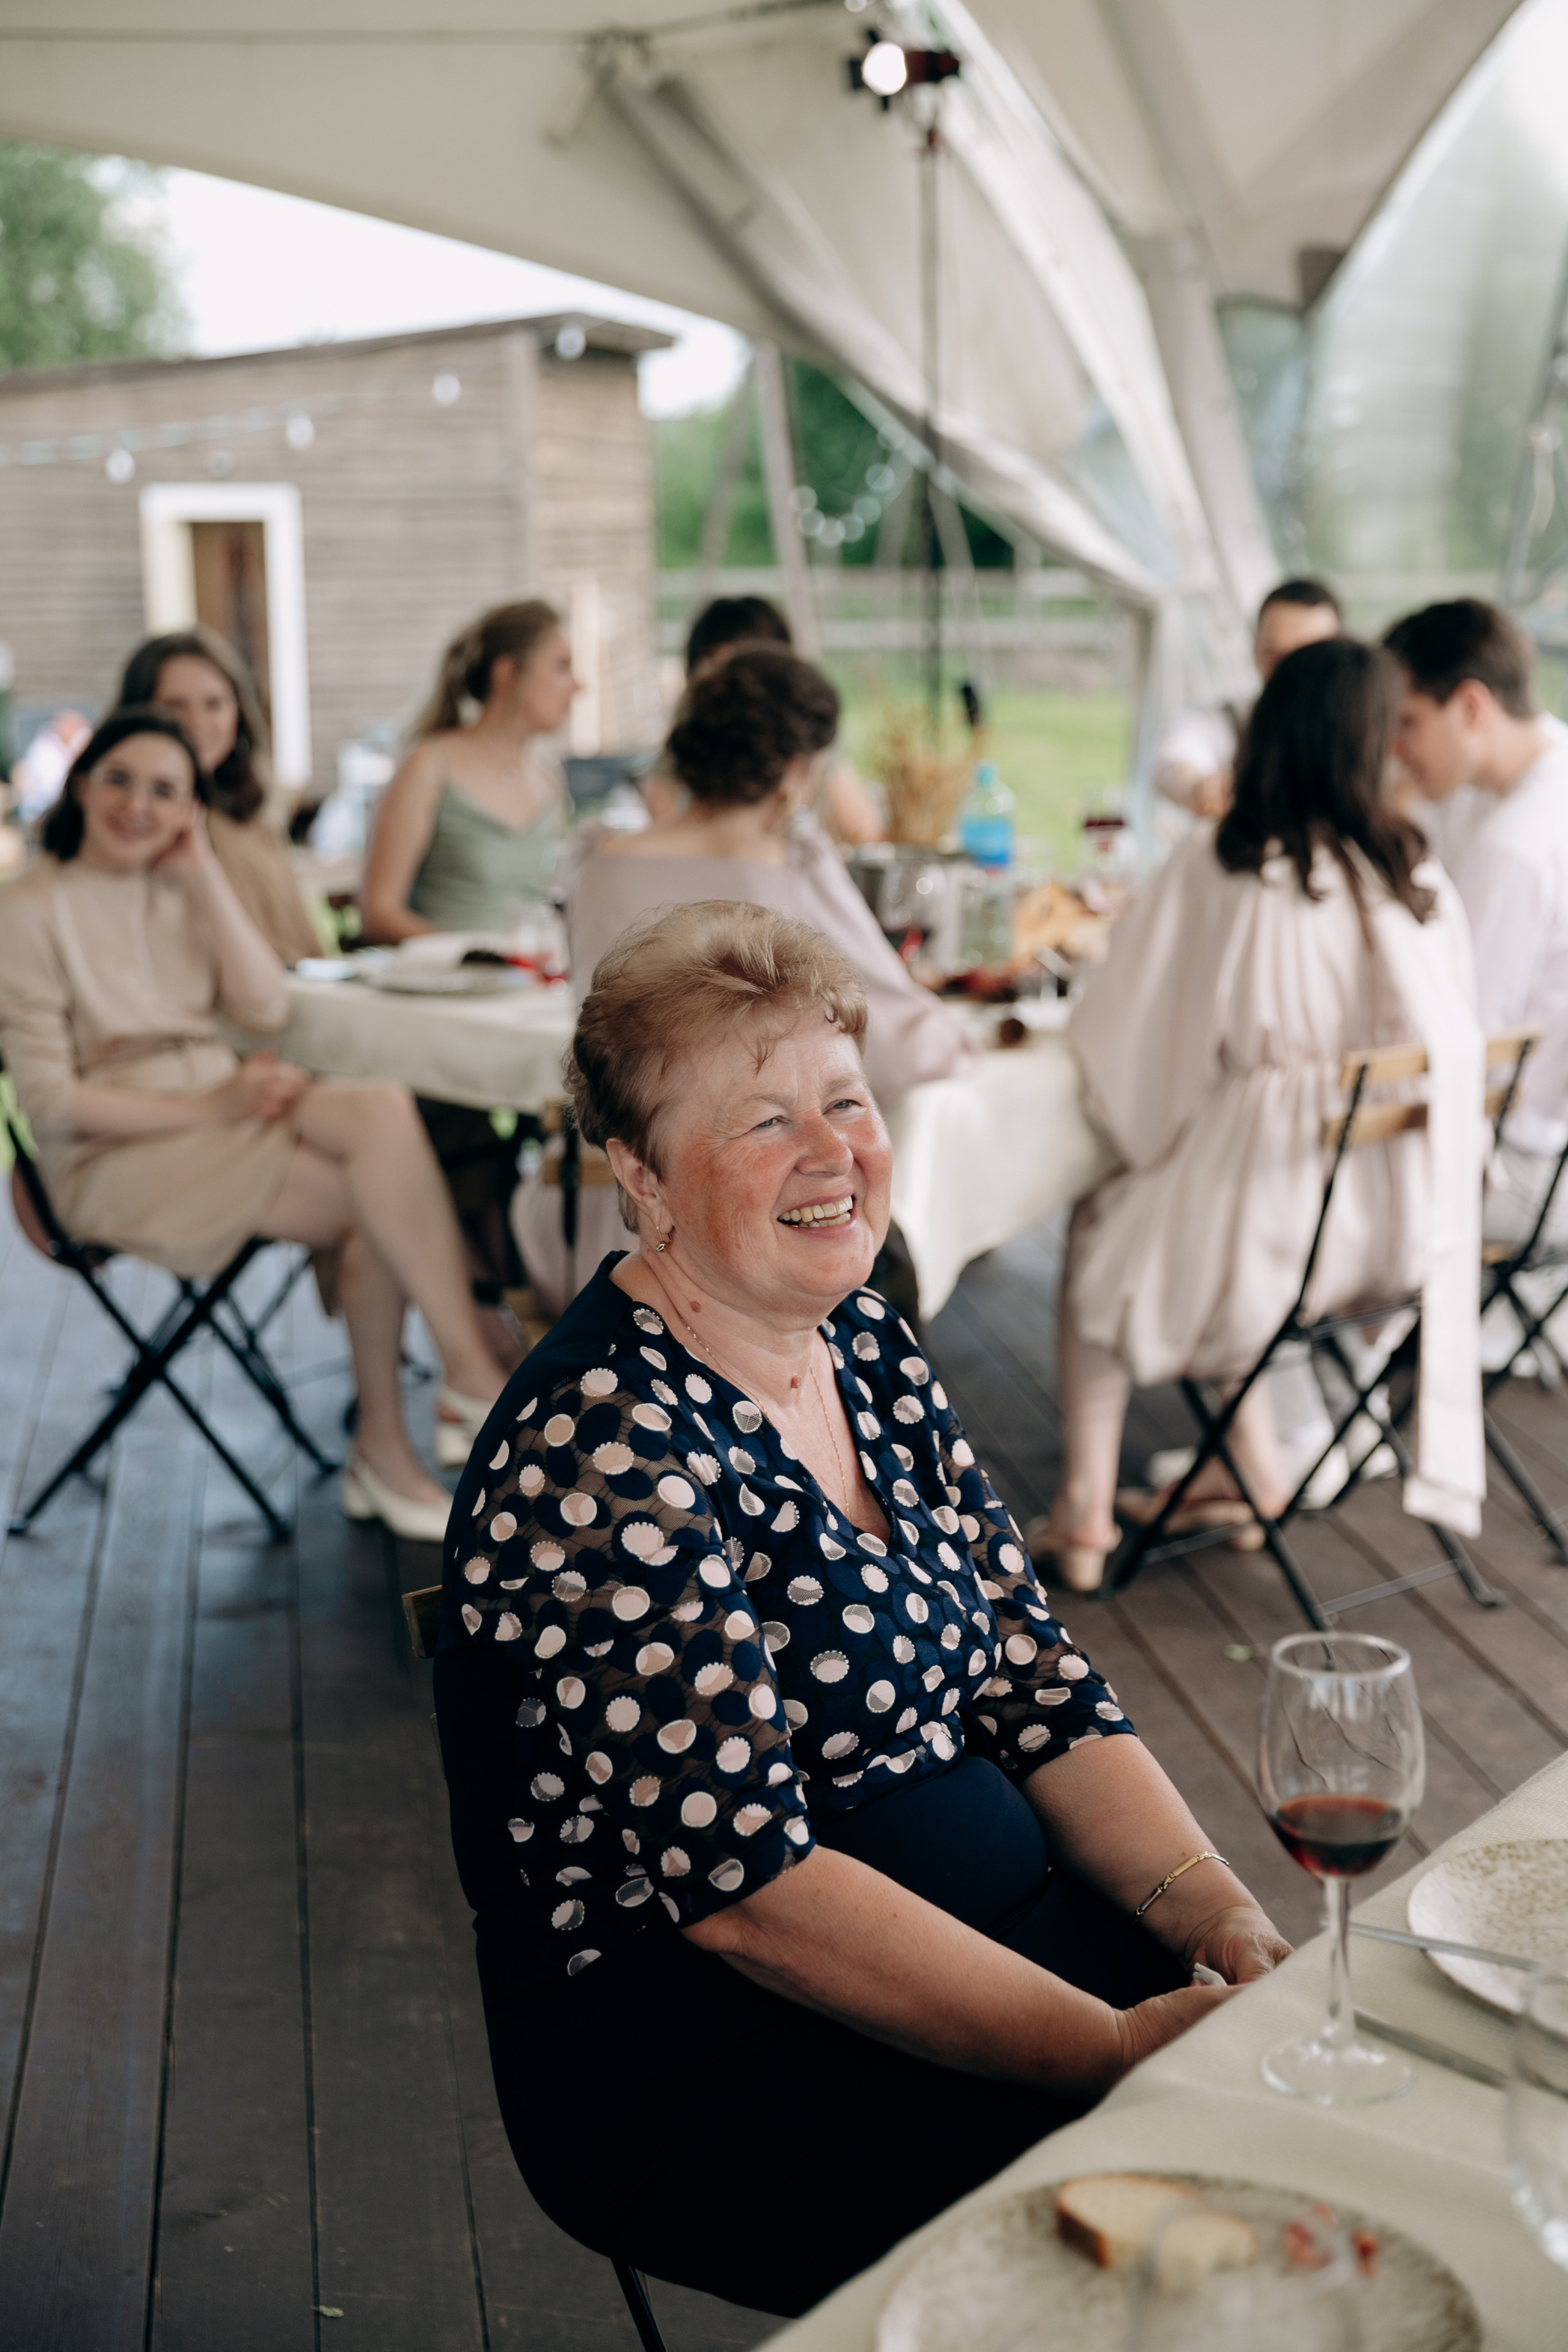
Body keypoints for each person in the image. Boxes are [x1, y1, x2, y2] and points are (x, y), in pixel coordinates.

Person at [434, 899, 1289, 2318]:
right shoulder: (601, 1441)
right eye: (761, 1120)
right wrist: (1102, 2049)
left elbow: (1032, 1682)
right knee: (1192, 2225)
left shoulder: (860, 1340)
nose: (832, 1151)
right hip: (713, 2052)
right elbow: (748, 1897)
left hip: (1001, 1942)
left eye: (845, 1097)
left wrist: (1217, 1912)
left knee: (1302, 2092)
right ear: (639, 1177)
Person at [1033, 638, 1484, 1593]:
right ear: (1374, 746)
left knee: (1112, 1215)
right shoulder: (1418, 874)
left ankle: (1082, 1506)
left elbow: (1129, 1031)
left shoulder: (1231, 863)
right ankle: (1256, 1472)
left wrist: (1159, 1119)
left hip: (1274, 1229)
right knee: (1188, 1200)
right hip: (1401, 1231)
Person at [0, 710, 513, 1541]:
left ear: (190, 810)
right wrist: (211, 1105)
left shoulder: (180, 885)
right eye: (119, 779)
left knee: (381, 1104)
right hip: (111, 1150)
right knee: (367, 1207)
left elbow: (266, 1003)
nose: (138, 804)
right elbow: (51, 1102)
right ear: (83, 783)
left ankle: (458, 1373)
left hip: (223, 1101)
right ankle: (396, 1438)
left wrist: (202, 875)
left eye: (166, 791)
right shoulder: (28, 909)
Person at [1384, 600, 1568, 1262]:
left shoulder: (1513, 845)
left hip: (1527, 1171)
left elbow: (1461, 1044)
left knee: (1289, 1183)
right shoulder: (1547, 779)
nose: (1395, 751)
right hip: (1547, 1147)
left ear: (1470, 706)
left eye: (1407, 724)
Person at [360, 599, 573, 943]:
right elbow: (379, 914)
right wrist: (477, 958)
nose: (578, 685)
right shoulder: (428, 766)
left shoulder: (550, 779)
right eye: (562, 666)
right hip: (446, 985)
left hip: (530, 985)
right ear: (507, 674)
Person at [119, 627, 322, 967]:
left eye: (214, 704)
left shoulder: (253, 821)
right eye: (173, 706)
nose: (196, 723)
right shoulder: (134, 825)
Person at [643, 593, 883, 845]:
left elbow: (863, 831)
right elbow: (663, 821)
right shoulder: (686, 745)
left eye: (743, 668)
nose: (725, 684)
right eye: (711, 665)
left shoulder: (809, 744)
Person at [1154, 578, 1341, 824]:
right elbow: (1173, 764)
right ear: (1255, 650)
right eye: (1274, 656)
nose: (1288, 674)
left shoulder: (1366, 731)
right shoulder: (1224, 721)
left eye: (1307, 660)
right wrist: (1199, 788)